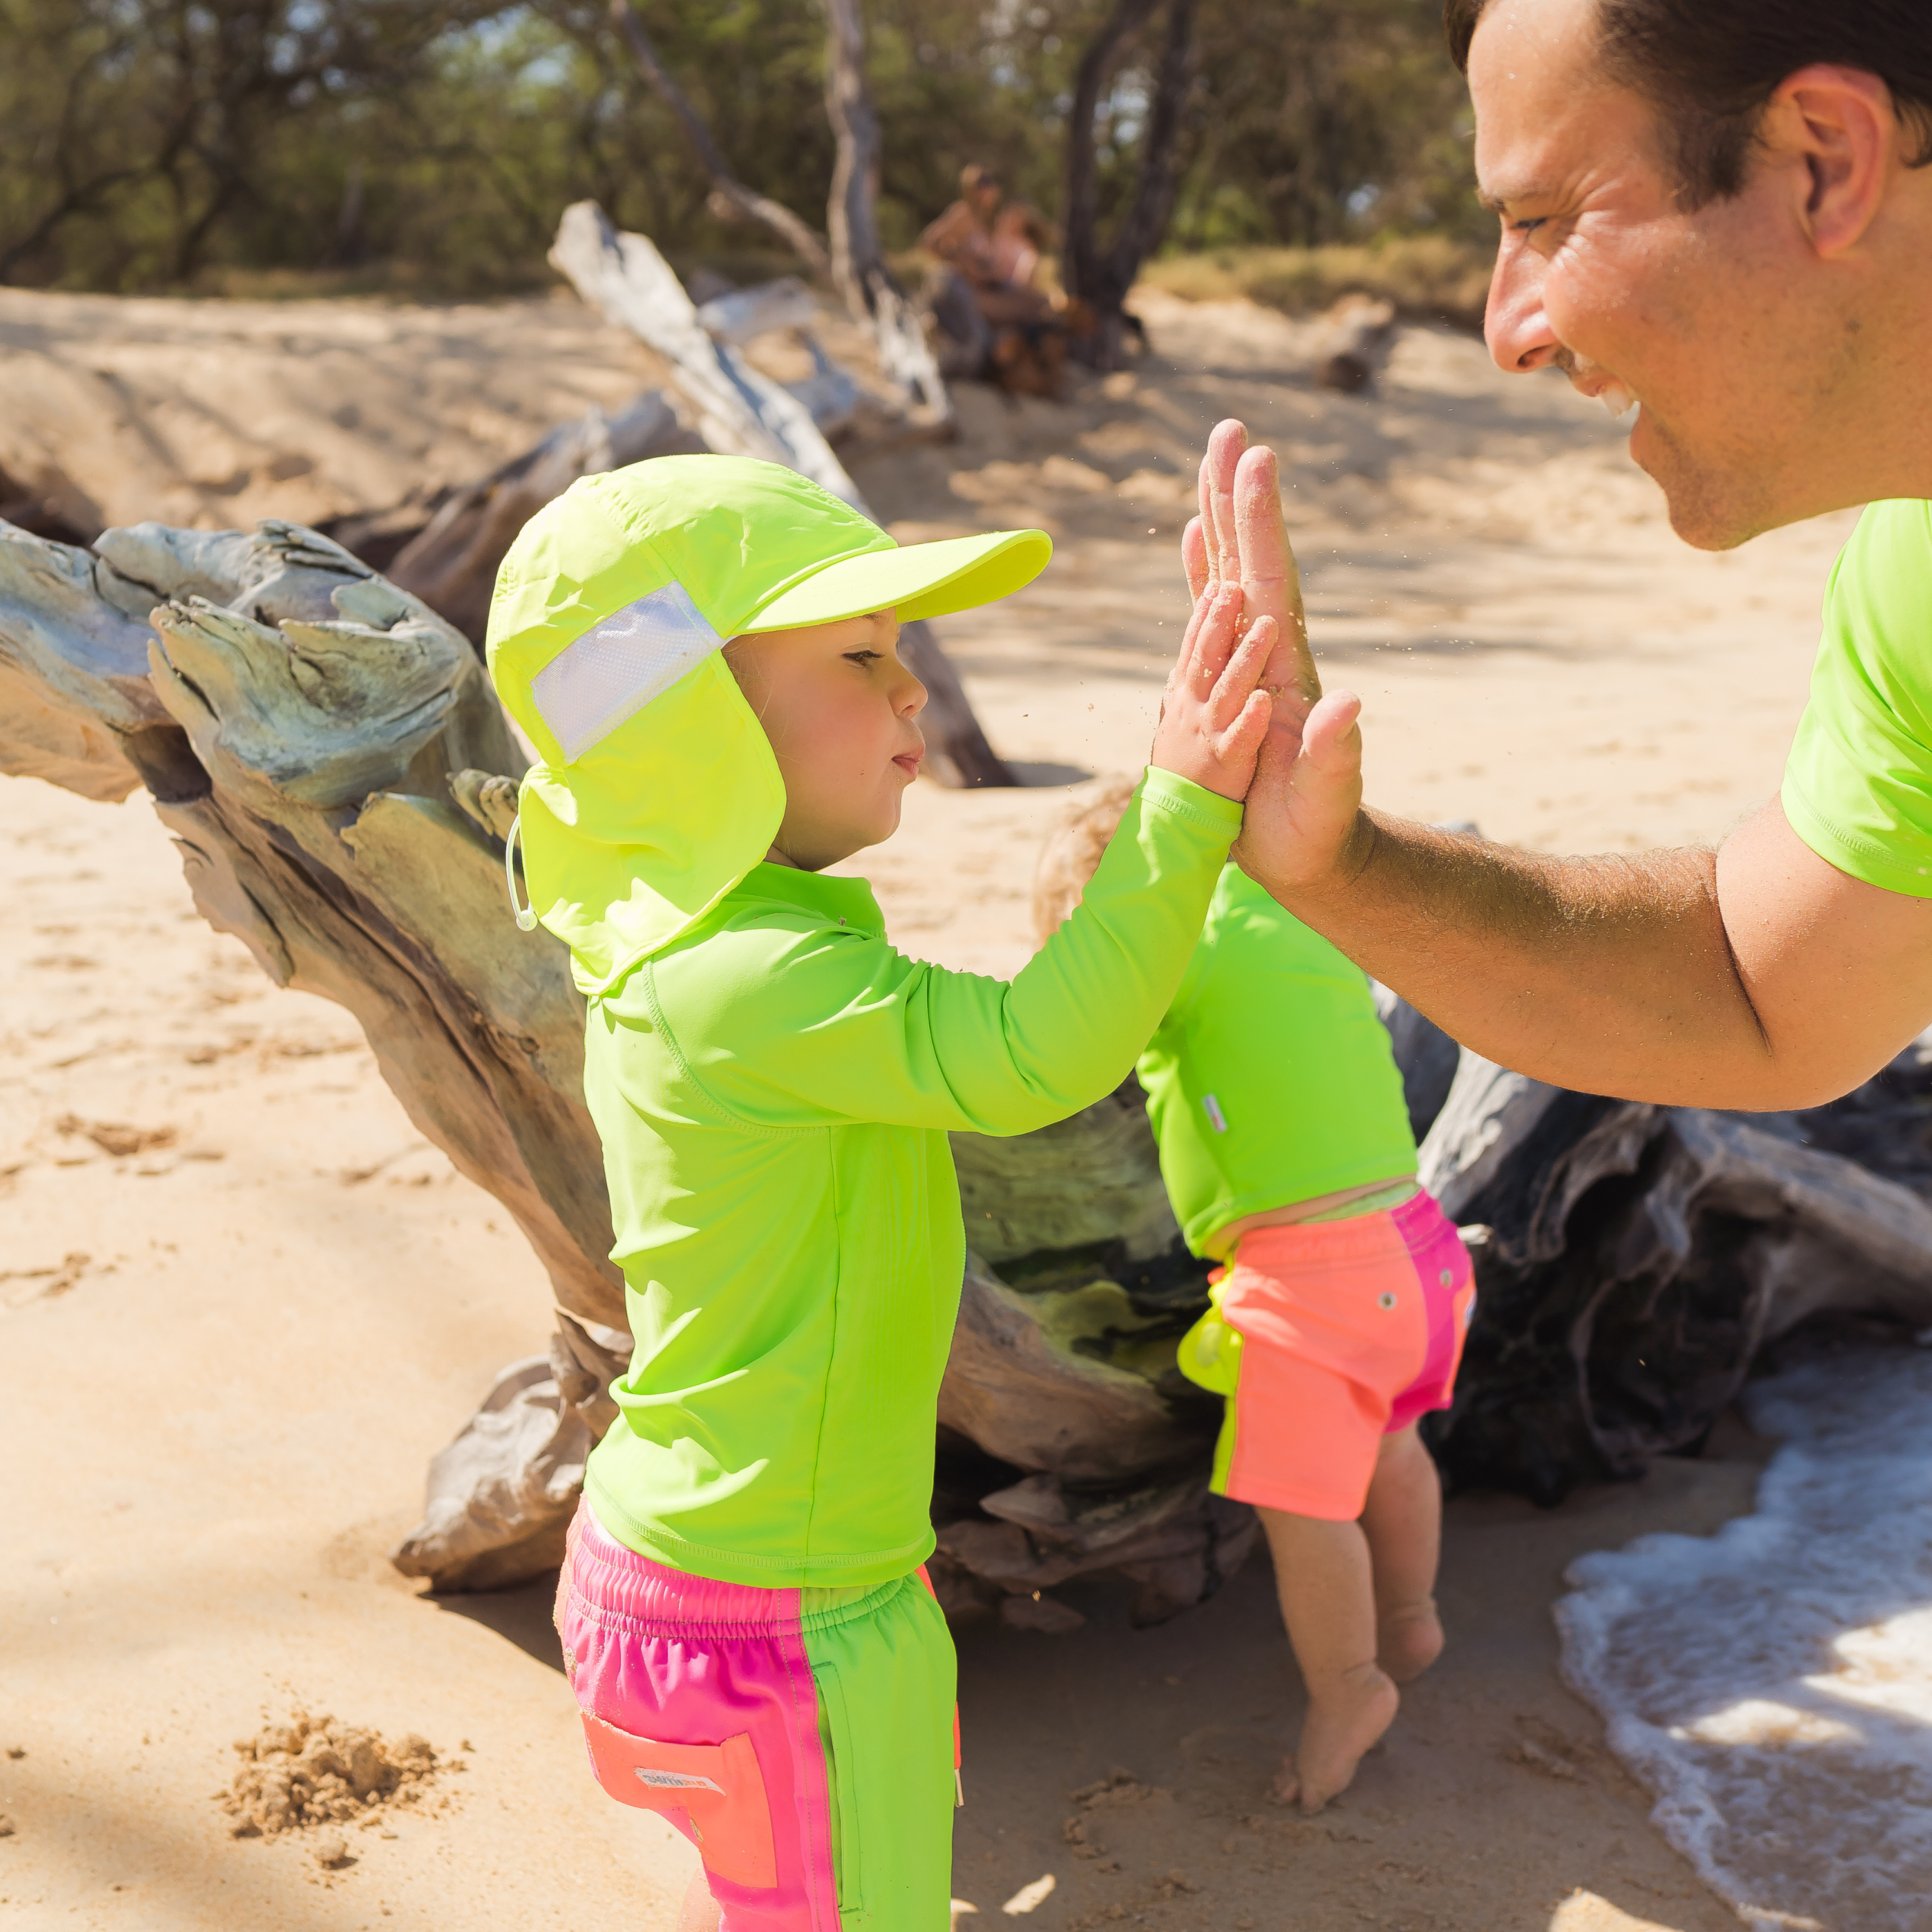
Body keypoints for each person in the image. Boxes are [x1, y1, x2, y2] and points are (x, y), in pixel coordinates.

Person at [484, 453, 1275, 1930]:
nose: (913, 691)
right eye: (859, 653)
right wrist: (1182, 804)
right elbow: (1035, 1057)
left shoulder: (710, 940)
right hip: (779, 1618)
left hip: (730, 1576)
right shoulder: (749, 973)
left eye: (904, 651)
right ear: (687, 720)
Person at [1204, 0, 1932, 1116]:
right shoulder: (1912, 578)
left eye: (1545, 218)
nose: (1510, 333)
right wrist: (1333, 866)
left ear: (1827, 162)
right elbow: (1753, 995)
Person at [1034, 781, 1472, 1813]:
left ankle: (1350, 1687)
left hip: (1311, 1279)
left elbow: (1071, 1038)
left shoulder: (1162, 954)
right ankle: (1410, 1616)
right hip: (1422, 1250)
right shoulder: (1289, 912)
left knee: (1300, 1505)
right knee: (1389, 1448)